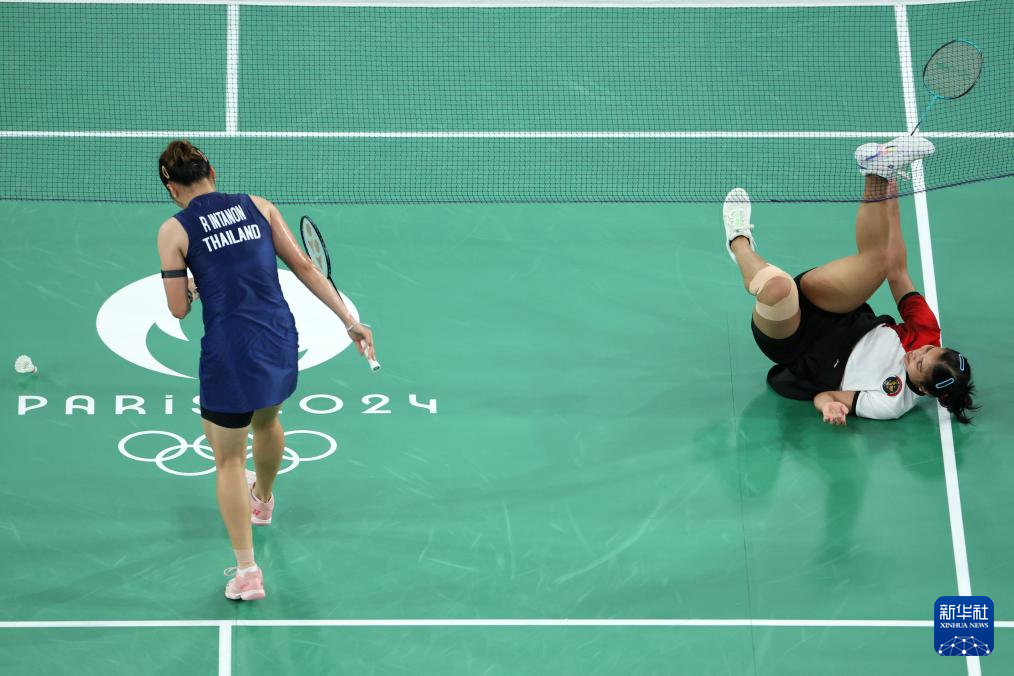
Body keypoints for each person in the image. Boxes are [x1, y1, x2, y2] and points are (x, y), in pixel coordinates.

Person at [155, 140, 376, 600]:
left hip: (230, 350)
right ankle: (263, 501)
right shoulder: (259, 205)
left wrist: (192, 286)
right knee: (268, 419)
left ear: (171, 188)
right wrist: (350, 321)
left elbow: (177, 309)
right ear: (212, 171)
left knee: (229, 460)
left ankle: (247, 572)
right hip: (278, 337)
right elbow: (306, 267)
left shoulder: (173, 231)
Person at [722, 136, 977, 425]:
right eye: (930, 350)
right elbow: (897, 272)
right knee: (878, 263)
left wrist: (829, 407)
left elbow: (827, 396)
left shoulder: (891, 403)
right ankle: (877, 171)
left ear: (923, 389)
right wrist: (891, 208)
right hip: (836, 311)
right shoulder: (926, 333)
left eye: (919, 363)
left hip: (796, 347)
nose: (919, 352)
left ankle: (738, 240)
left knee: (778, 287)